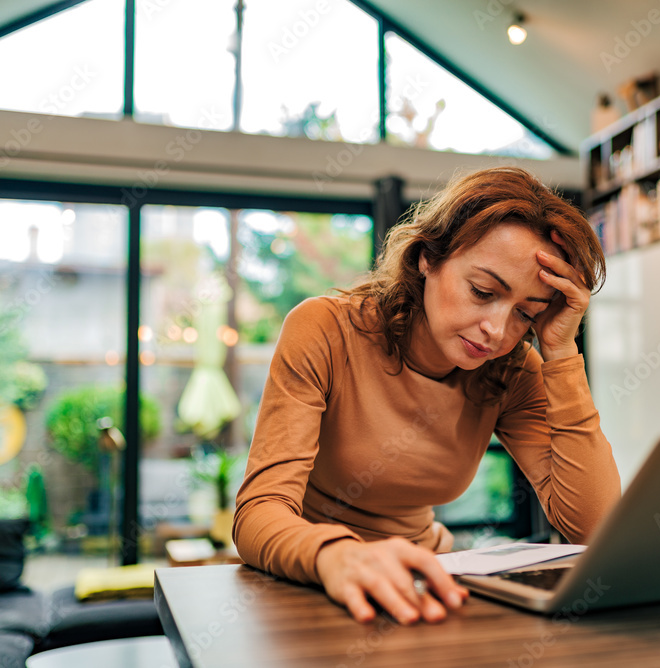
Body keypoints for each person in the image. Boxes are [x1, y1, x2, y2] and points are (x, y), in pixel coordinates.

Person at [233, 166, 621, 625]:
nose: (497, 331)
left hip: (429, 578)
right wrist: (337, 556)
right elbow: (259, 512)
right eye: (482, 291)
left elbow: (594, 527)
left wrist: (560, 353)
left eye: (525, 312)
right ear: (427, 257)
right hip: (315, 579)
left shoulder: (513, 367)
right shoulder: (324, 330)